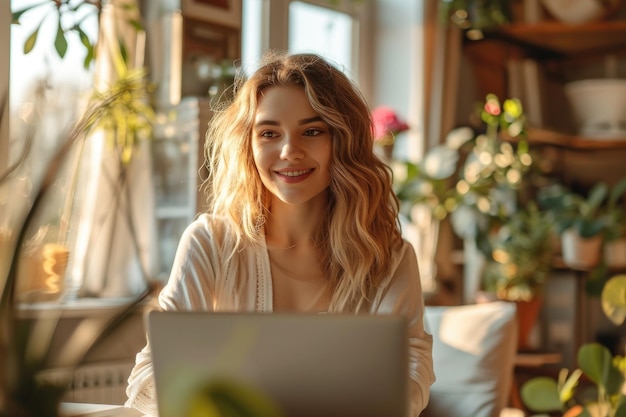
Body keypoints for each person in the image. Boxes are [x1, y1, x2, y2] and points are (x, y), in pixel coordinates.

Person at [125, 51, 435, 416]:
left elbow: (413, 369)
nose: (290, 151)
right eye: (269, 133)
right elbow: (148, 377)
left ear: (343, 140)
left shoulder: (389, 256)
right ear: (249, 144)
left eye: (313, 131)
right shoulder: (209, 242)